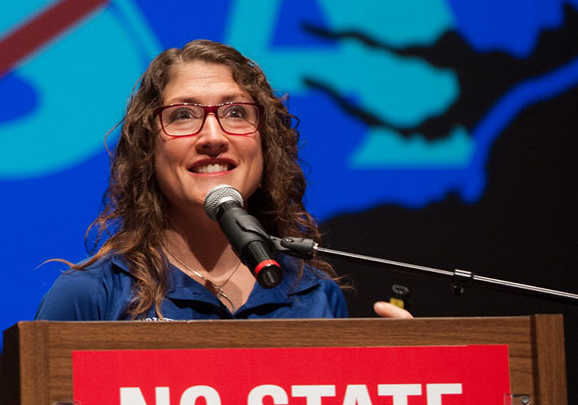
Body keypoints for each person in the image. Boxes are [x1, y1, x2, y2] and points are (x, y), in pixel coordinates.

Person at [35, 39, 412, 321]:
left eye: (235, 113)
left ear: (264, 143)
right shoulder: (91, 297)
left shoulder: (315, 298)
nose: (213, 136)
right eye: (183, 115)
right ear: (148, 148)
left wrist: (400, 378)